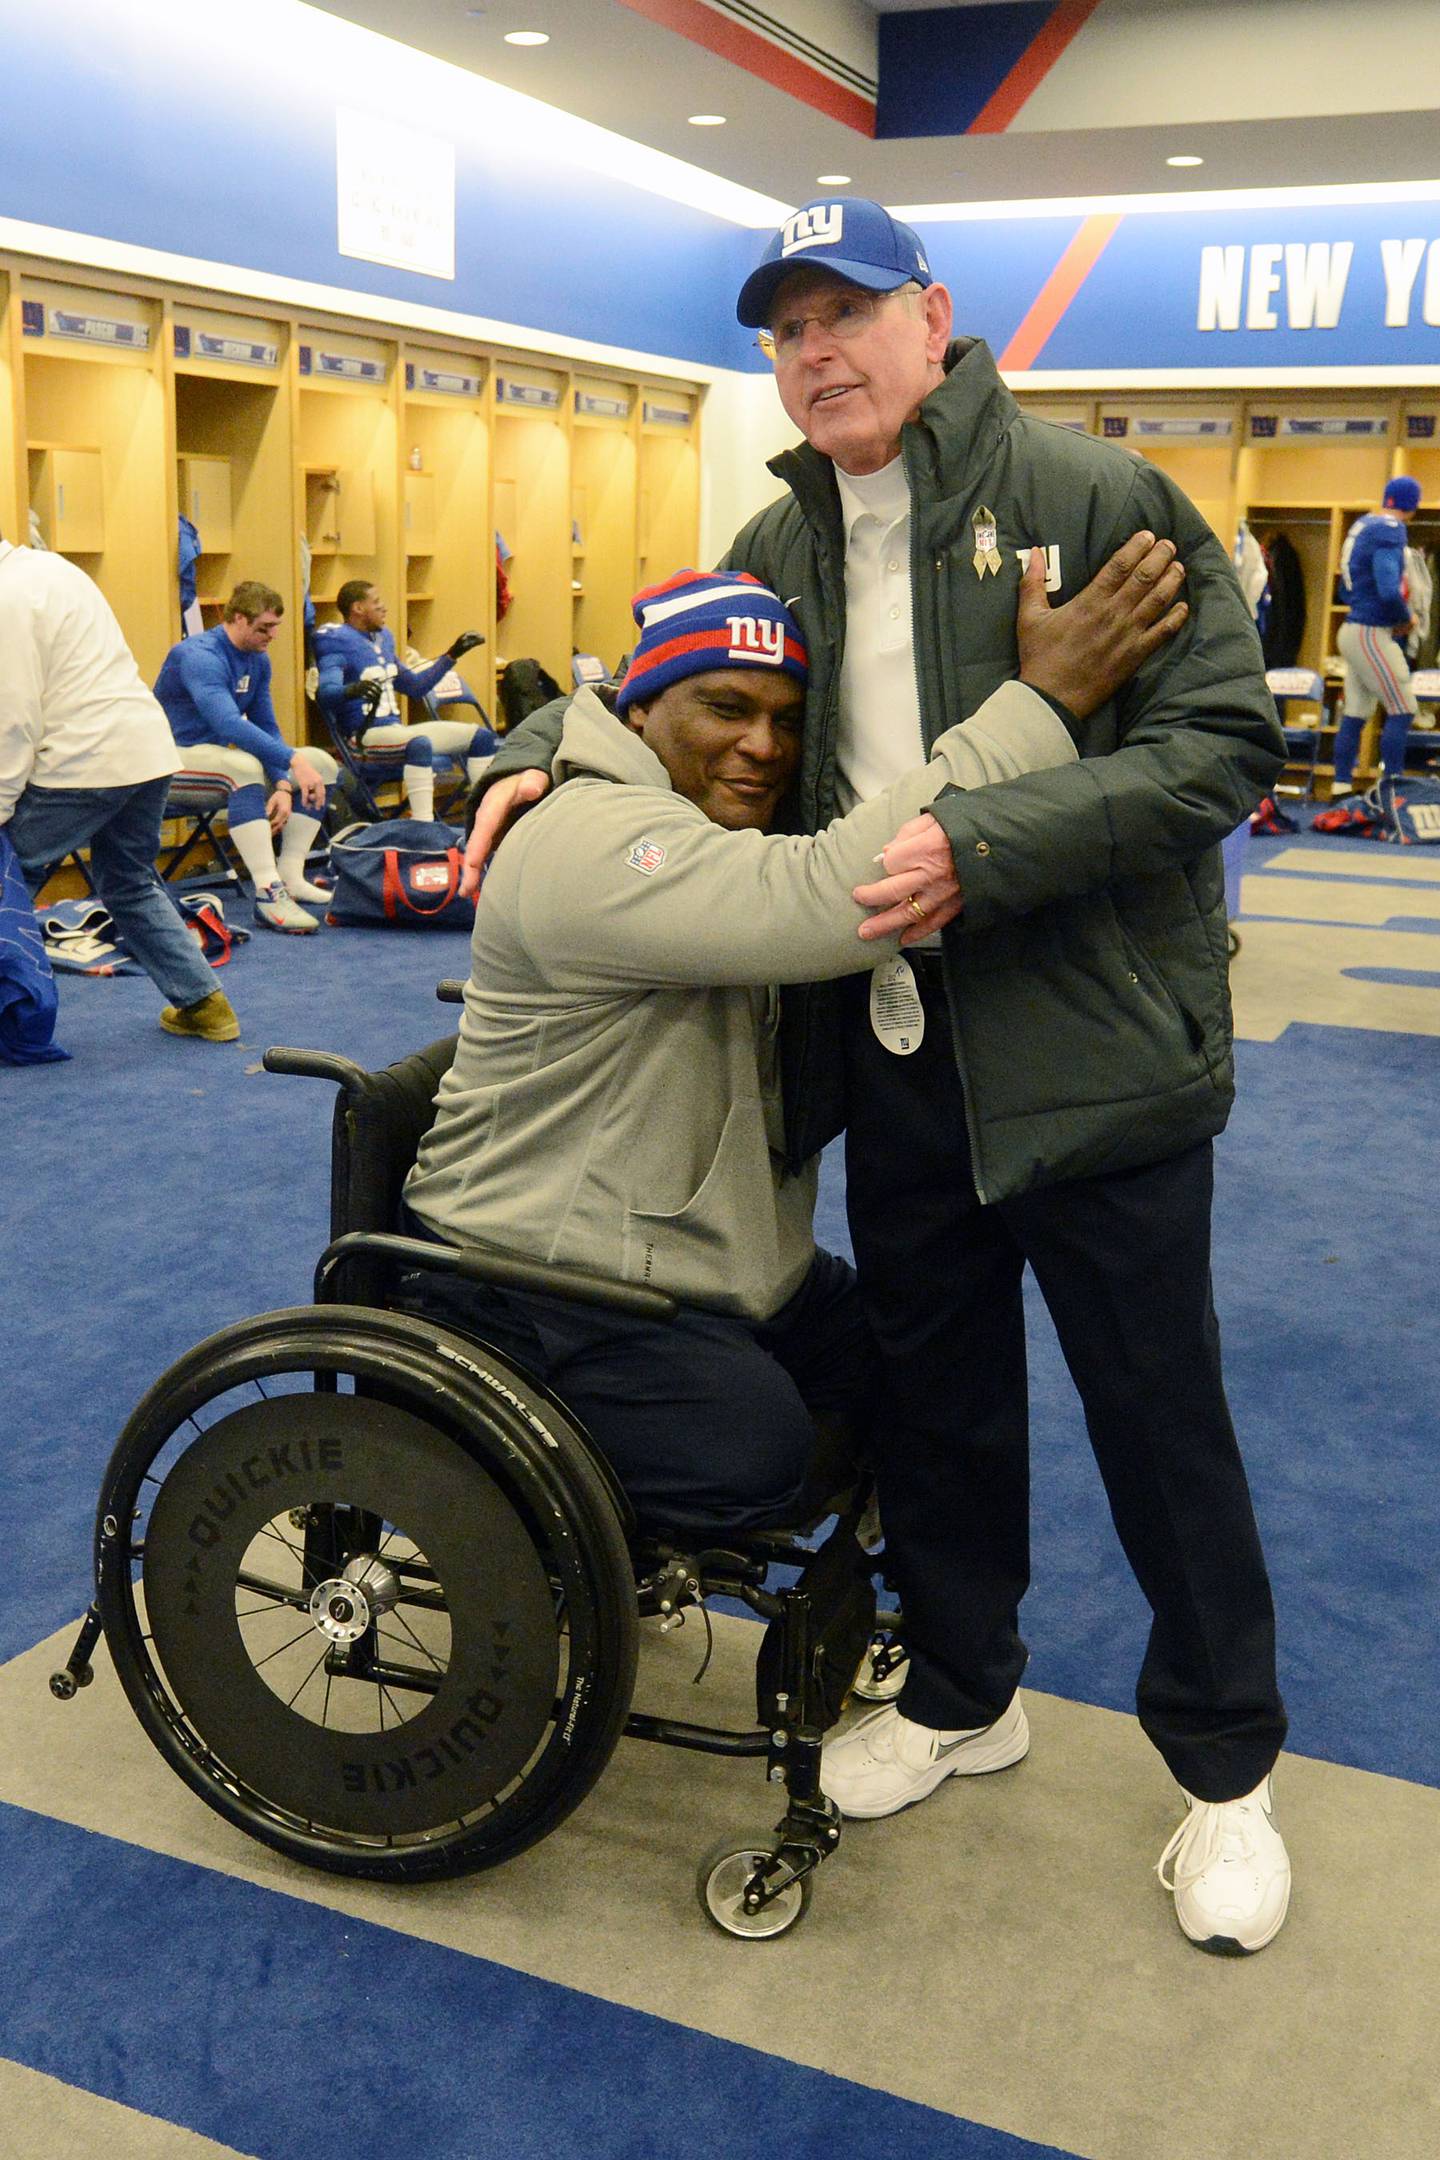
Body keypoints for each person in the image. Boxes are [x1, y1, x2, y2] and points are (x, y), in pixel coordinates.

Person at [466, 198, 1291, 1957]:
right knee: (940, 1406)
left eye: (848, 314)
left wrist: (987, 846)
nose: (816, 353)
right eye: (785, 332)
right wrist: (538, 749)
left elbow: (1224, 746)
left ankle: (1226, 1775)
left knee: (1162, 1422)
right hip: (898, 1056)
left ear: (934, 319)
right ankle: (963, 1689)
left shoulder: (1096, 501)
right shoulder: (780, 536)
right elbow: (662, 679)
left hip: (1095, 1070)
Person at [404, 557, 1177, 1533]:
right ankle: (489, 1499)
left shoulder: (691, 822)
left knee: (925, 1361)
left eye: (785, 718)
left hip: (697, 1263)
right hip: (532, 1284)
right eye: (727, 707)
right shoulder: (595, 840)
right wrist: (1040, 703)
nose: (762, 745)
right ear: (640, 708)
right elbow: (822, 897)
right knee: (750, 1457)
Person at [0, 530, 237, 1043]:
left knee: (8, 874)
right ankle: (206, 1005)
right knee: (128, 882)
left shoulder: (7, 597)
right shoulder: (54, 570)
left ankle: (16, 1016)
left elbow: (14, 717)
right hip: (146, 751)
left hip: (83, 761)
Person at [154, 583, 338, 934]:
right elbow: (226, 722)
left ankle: (291, 875)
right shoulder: (199, 655)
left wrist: (284, 781)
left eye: (276, 627)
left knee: (321, 764)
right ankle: (268, 893)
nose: (272, 635)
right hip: (167, 763)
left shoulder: (257, 659)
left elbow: (266, 725)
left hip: (214, 762)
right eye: (264, 627)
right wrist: (290, 758)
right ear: (238, 618)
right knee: (245, 766)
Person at [314, 581, 490, 822]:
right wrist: (352, 690)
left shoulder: (383, 639)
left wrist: (452, 655)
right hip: (363, 739)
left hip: (395, 732)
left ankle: (483, 820)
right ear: (358, 608)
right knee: (418, 745)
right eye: (376, 602)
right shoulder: (336, 641)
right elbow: (325, 694)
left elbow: (415, 687)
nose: (384, 608)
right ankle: (424, 829)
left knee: (480, 738)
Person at [1329, 476, 1424, 797]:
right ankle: (1393, 789)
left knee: (1356, 712)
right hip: (1371, 632)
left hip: (1355, 627)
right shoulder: (1391, 530)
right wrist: (1404, 616)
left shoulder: (1365, 523)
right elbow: (1387, 587)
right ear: (1412, 504)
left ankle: (1340, 787)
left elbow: (1347, 584)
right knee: (1403, 708)